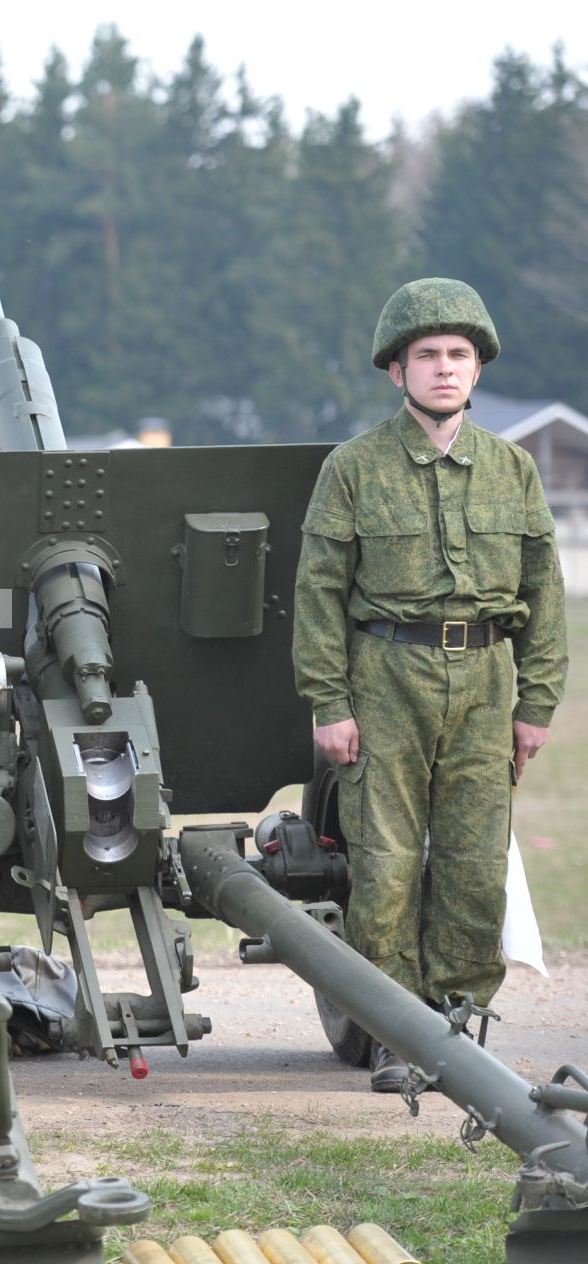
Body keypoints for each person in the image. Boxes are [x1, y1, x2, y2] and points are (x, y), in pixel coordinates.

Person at [293, 277, 566, 1093]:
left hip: (486, 680)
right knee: (386, 862)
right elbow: (318, 592)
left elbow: (543, 592)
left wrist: (537, 703)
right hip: (386, 676)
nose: (444, 369)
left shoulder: (512, 470)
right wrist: (330, 702)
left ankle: (457, 1019)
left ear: (477, 370)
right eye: (427, 356)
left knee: (475, 861)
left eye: (458, 355)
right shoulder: (354, 468)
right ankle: (394, 1031)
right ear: (396, 371)